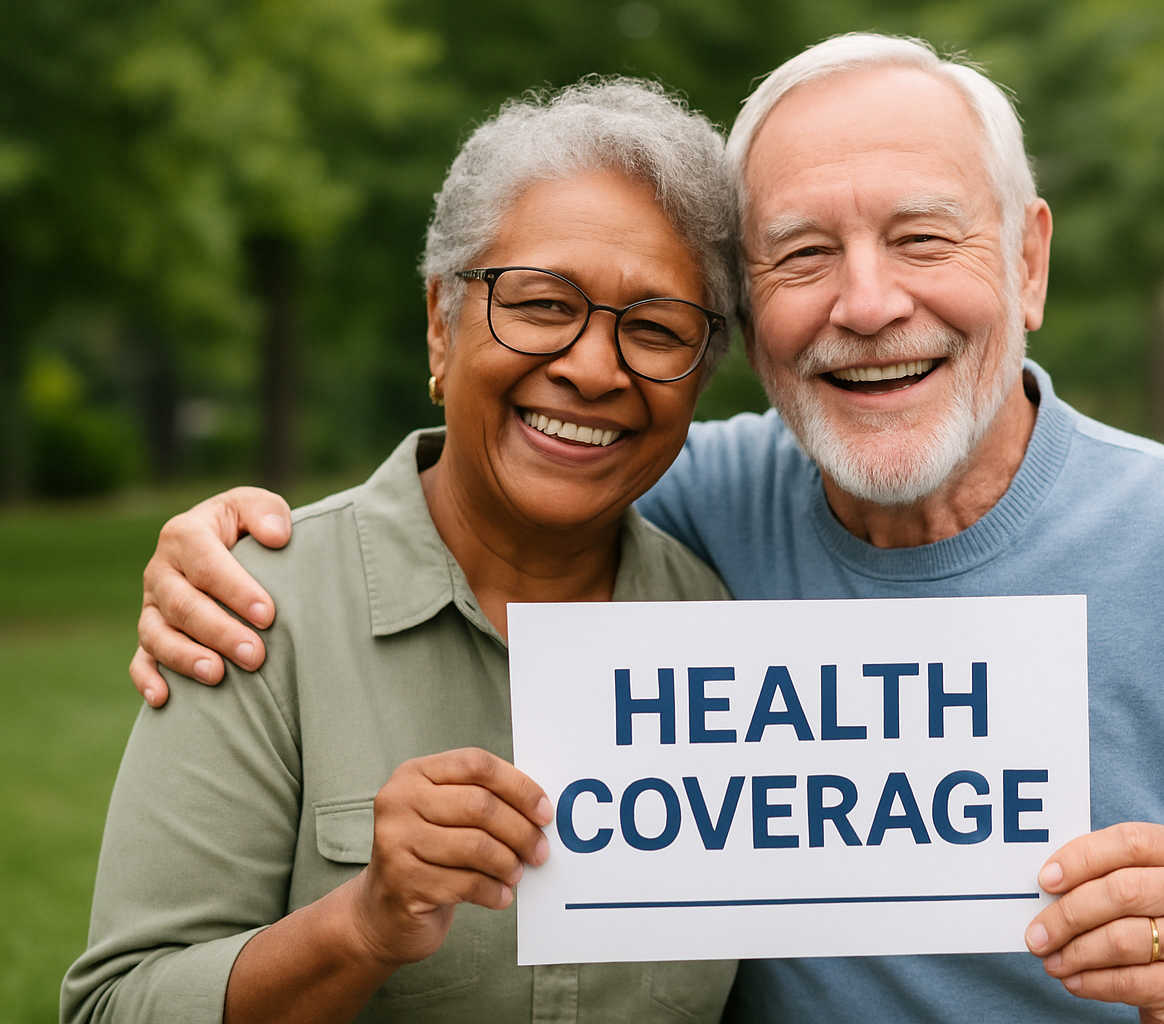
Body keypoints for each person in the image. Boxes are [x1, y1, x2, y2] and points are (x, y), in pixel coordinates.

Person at [128, 34, 1164, 1024]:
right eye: (802, 254)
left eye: (923, 236)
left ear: (1030, 261)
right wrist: (232, 543)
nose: (869, 304)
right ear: (752, 318)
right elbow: (518, 461)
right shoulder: (700, 499)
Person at [64, 80, 743, 1023]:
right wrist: (364, 925)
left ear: (699, 377)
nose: (593, 368)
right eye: (543, 304)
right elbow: (114, 1006)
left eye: (658, 329)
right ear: (440, 320)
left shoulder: (731, 633)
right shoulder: (255, 609)